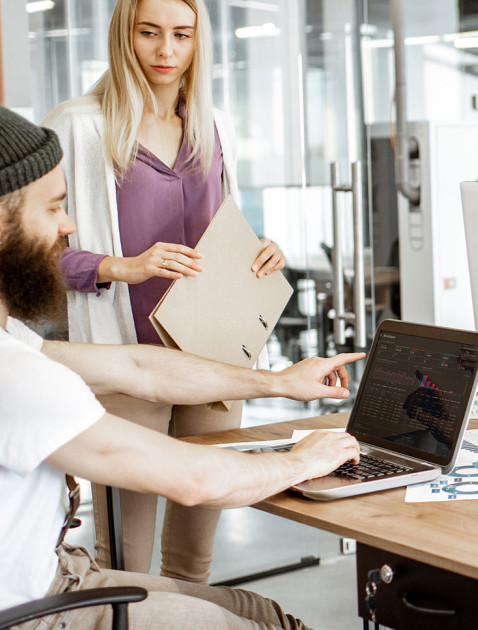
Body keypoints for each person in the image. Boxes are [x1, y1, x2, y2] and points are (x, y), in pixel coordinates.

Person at [0, 105, 359, 628]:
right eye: (54, 208)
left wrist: (279, 382)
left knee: (256, 609)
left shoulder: (14, 346)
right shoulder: (17, 376)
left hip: (57, 576)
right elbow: (194, 479)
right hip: (35, 614)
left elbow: (140, 367)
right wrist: (303, 462)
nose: (70, 225)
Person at [41, 0, 286, 582]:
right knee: (124, 558)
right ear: (124, 35)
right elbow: (34, 254)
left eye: (181, 35)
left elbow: (222, 226)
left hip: (212, 357)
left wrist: (260, 247)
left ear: (200, 41)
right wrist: (119, 266)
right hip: (129, 362)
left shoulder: (214, 124)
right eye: (149, 33)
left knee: (194, 558)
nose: (166, 51)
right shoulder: (78, 126)